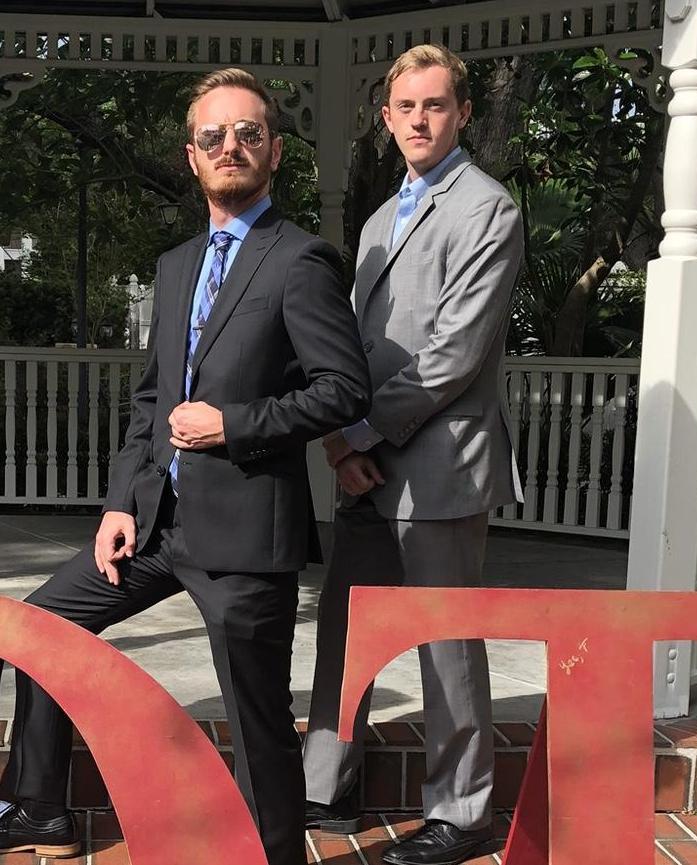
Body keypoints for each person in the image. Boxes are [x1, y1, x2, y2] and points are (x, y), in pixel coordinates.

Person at [0, 68, 370, 865]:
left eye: (248, 133)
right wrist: (119, 502)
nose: (230, 145)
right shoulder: (176, 266)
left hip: (245, 539)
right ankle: (39, 808)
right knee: (42, 625)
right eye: (213, 135)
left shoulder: (302, 260)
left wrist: (233, 424)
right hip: (156, 526)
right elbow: (151, 400)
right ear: (191, 156)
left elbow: (343, 390)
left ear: (275, 151)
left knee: (259, 724)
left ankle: (272, 856)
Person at [303, 45, 523, 865]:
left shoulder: (488, 209)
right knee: (345, 628)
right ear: (387, 117)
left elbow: (453, 355)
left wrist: (356, 434)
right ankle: (327, 783)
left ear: (462, 112)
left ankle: (462, 813)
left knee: (445, 642)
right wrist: (340, 439)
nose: (420, 120)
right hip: (364, 462)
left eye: (435, 105)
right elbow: (350, 349)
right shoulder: (375, 221)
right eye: (406, 107)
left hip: (441, 467)